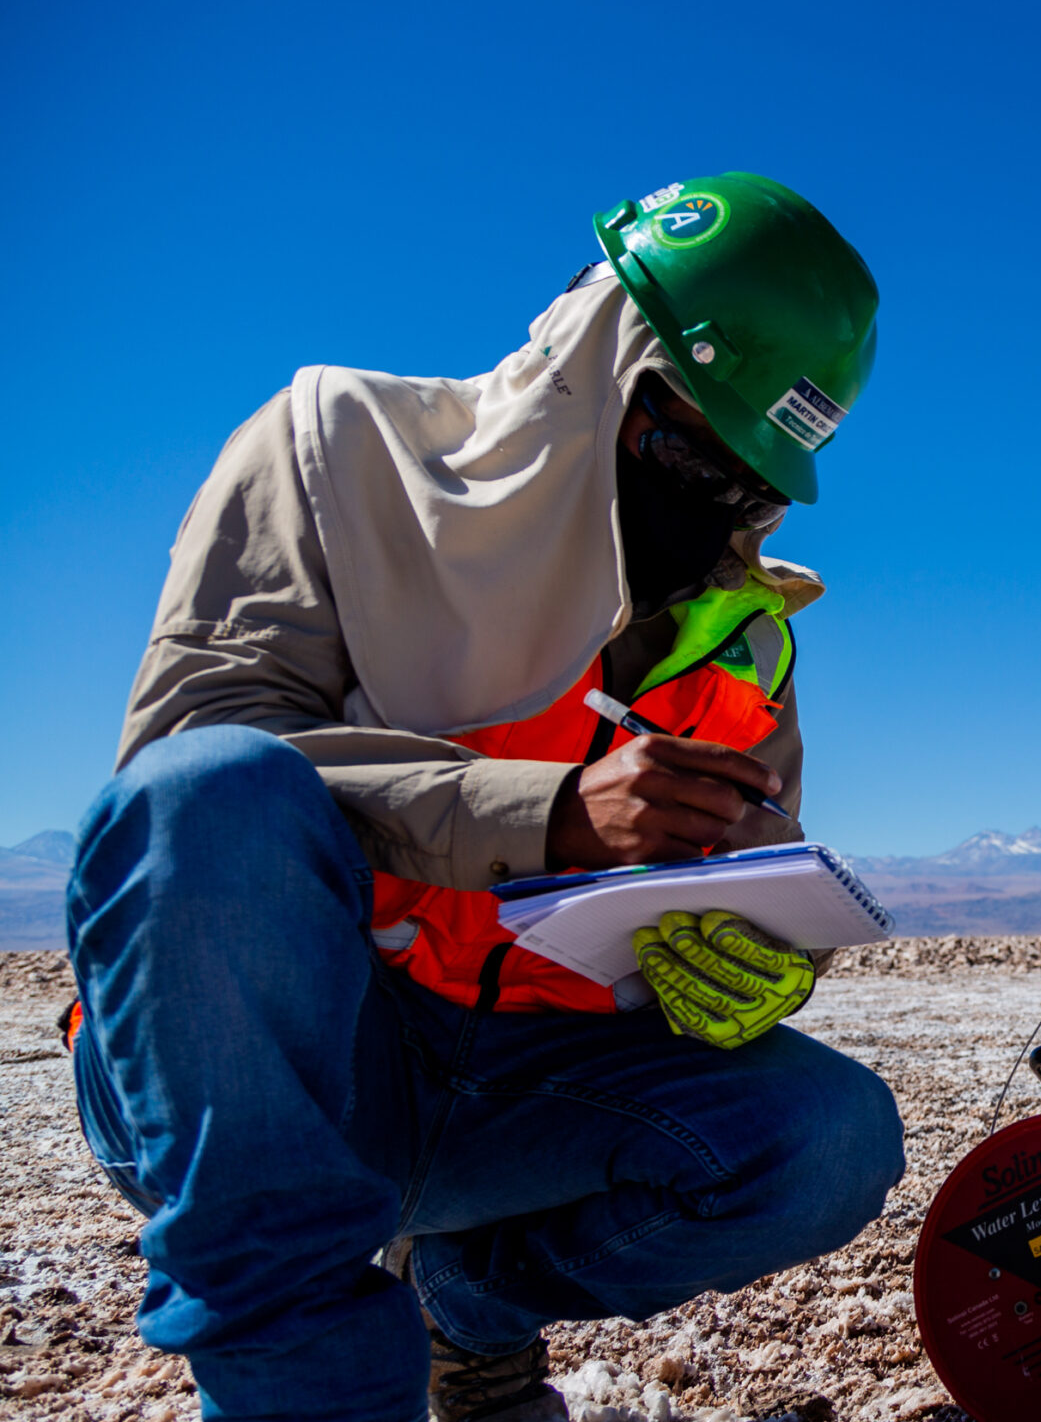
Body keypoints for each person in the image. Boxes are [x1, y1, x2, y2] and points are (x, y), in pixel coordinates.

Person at [66, 174, 902, 1422]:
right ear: (593, 364)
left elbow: (752, 857)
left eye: (750, 488)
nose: (712, 512)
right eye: (684, 452)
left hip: (513, 1086)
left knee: (827, 1140)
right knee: (208, 794)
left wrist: (757, 955)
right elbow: (186, 778)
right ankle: (311, 1392)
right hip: (281, 1071)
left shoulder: (746, 639)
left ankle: (467, 1308)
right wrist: (549, 814)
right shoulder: (335, 455)